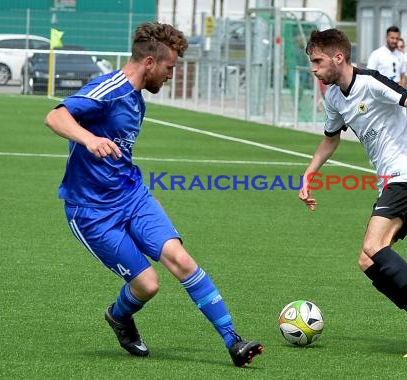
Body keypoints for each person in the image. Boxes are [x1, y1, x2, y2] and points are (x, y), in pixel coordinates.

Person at [44, 22, 263, 367]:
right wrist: (88, 139)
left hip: (133, 196)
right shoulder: (111, 89)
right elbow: (56, 116)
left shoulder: (137, 100)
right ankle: (119, 317)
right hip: (91, 211)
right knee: (148, 284)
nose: (172, 75)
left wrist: (147, 201)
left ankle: (233, 341)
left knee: (182, 260)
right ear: (149, 63)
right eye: (170, 67)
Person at [300, 28, 407, 359]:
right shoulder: (335, 98)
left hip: (406, 174)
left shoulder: (370, 81)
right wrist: (310, 174)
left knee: (373, 245)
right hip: (390, 180)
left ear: (338, 57)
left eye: (317, 61)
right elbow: (330, 138)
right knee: (367, 260)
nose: (313, 68)